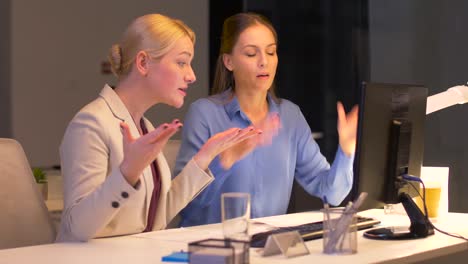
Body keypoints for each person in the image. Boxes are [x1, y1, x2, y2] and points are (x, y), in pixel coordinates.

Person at [57, 14, 262, 242]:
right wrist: (128, 172)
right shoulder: (91, 123)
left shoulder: (145, 126)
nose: (192, 75)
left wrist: (206, 156)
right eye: (182, 62)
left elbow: (158, 214)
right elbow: (77, 228)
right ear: (143, 63)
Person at [174, 12, 358, 227]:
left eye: (271, 52)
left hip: (265, 249)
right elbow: (184, 205)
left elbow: (331, 193)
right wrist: (225, 162)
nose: (264, 62)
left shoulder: (290, 116)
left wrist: (346, 151)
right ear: (229, 61)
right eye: (251, 54)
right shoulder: (205, 113)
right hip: (209, 249)